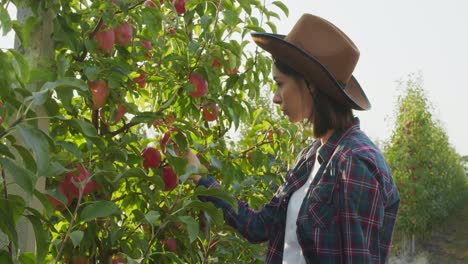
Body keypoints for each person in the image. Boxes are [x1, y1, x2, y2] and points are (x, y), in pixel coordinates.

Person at [186, 13, 400, 264]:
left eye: (279, 83)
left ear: (310, 85)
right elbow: (259, 226)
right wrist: (201, 176)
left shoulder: (354, 163)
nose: (275, 98)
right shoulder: (309, 158)